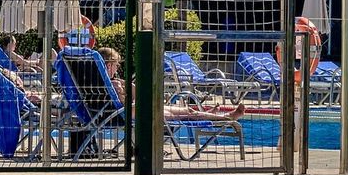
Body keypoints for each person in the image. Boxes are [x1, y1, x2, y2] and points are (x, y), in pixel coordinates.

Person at [97, 47, 243, 121]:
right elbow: (126, 104)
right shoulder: (113, 85)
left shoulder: (107, 82)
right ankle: (225, 118)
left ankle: (214, 116)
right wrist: (125, 91)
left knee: (187, 111)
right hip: (135, 114)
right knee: (185, 115)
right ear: (109, 65)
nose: (117, 68)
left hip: (139, 110)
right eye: (116, 65)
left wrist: (128, 87)